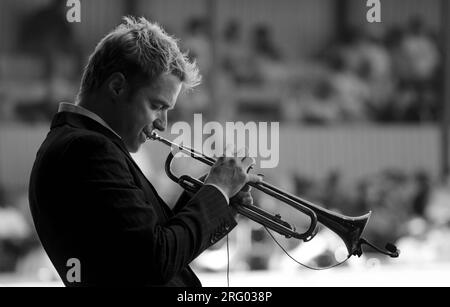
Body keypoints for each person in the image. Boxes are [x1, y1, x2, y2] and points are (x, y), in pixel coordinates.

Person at [28, 16, 261, 287]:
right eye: (156, 106)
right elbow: (153, 261)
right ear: (116, 87)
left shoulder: (85, 143)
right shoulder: (88, 149)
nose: (162, 124)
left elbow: (146, 247)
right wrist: (217, 191)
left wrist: (215, 200)